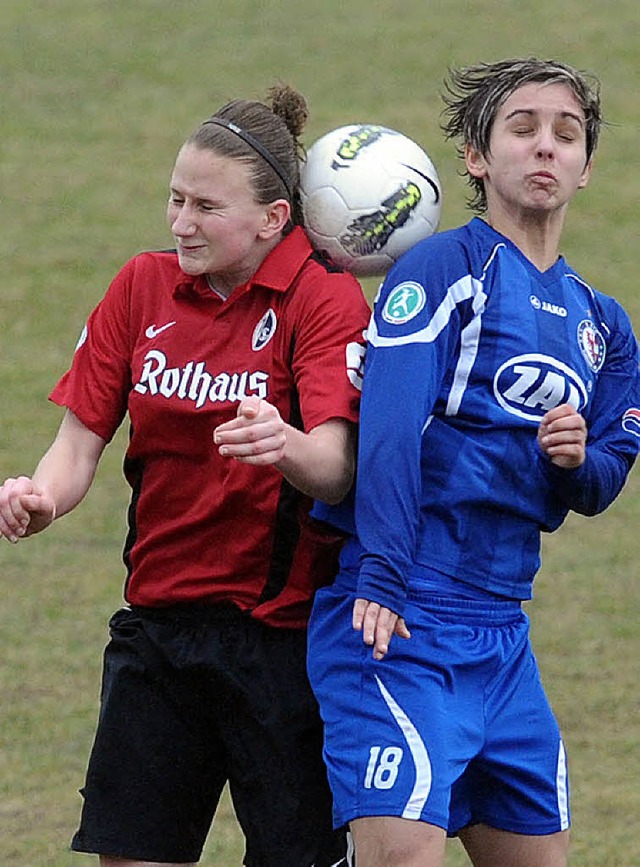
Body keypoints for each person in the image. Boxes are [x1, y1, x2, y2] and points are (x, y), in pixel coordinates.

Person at [0, 84, 370, 867]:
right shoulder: (140, 287)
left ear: (273, 219)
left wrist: (282, 443)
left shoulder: (323, 298)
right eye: (175, 200)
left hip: (282, 645)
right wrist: (40, 497)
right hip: (159, 632)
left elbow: (336, 470)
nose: (180, 223)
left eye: (205, 206)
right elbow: (76, 446)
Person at [307, 57, 640, 867]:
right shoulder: (443, 270)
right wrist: (384, 570)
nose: (545, 148)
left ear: (587, 167)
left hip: (503, 637)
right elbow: (389, 427)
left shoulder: (607, 325)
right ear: (476, 156)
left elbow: (606, 478)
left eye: (566, 135)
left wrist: (574, 460)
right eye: (521, 129)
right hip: (401, 612)